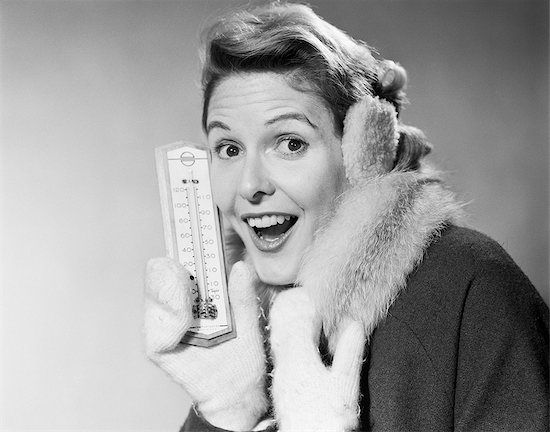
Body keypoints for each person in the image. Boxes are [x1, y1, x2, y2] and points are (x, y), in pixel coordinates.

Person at [144, 2, 549, 431]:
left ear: (360, 149)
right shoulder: (245, 337)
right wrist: (222, 414)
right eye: (228, 149)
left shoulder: (472, 288)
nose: (249, 186)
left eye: (290, 143)